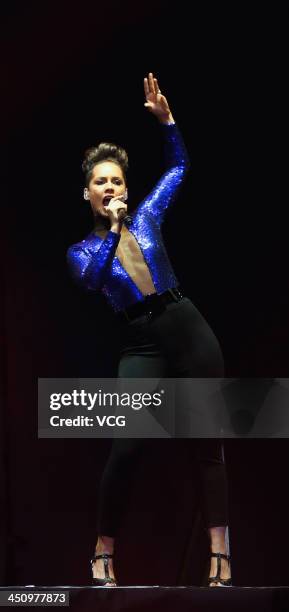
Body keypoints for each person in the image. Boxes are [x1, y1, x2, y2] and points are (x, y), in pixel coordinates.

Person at [67, 72, 232, 587]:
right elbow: (94, 283)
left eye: (117, 180)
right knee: (128, 445)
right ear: (88, 194)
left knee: (208, 441)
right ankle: (102, 550)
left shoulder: (149, 217)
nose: (111, 187)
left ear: (126, 188)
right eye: (101, 182)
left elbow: (180, 165)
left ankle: (221, 555)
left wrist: (168, 123)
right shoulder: (83, 250)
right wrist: (114, 228)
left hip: (186, 323)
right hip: (142, 342)